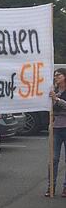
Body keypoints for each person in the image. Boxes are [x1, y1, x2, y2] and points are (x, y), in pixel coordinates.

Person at [46, 68, 66, 197]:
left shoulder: (58, 94)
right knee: (53, 159)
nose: (56, 77)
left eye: (58, 75)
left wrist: (57, 100)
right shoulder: (53, 91)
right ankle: (51, 186)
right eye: (55, 76)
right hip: (56, 128)